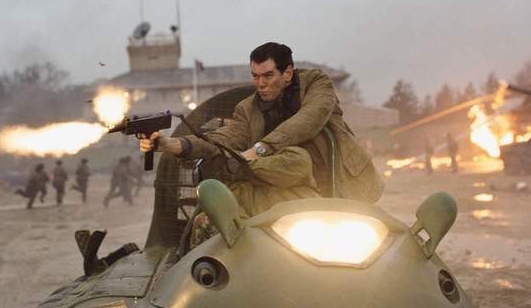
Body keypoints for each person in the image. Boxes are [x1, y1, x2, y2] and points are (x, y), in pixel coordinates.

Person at [140, 42, 384, 221]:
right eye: (255, 76)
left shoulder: (316, 84)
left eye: (268, 75)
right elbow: (223, 138)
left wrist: (260, 149)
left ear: (288, 73)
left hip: (342, 184)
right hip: (295, 194)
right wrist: (172, 144)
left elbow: (308, 119)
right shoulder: (248, 109)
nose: (261, 84)